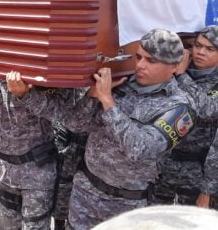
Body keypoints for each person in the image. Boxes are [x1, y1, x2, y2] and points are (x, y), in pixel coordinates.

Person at [60, 29, 196, 229]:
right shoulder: (119, 83)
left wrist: (108, 101)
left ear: (174, 66)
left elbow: (140, 149)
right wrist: (93, 96)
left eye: (151, 61)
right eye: (139, 57)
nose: (140, 65)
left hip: (126, 205)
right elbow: (75, 124)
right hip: (85, 192)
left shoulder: (180, 108)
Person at [0, 64, 68, 229]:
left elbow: (62, 115)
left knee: (35, 226)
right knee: (10, 226)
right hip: (4, 170)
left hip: (37, 171)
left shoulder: (39, 77)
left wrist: (26, 95)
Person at [157, 26, 218, 208]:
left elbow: (205, 108)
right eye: (197, 46)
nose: (200, 52)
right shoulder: (172, 72)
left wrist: (207, 190)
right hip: (162, 167)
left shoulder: (183, 74)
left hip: (196, 173)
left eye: (210, 49)